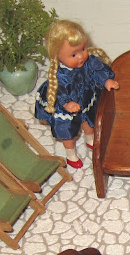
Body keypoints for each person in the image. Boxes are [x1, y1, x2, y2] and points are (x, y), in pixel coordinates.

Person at [35, 20, 119, 168]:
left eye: (83, 49)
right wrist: (66, 103)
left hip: (85, 98)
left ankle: (90, 138)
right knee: (68, 132)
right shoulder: (60, 76)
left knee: (89, 120)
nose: (81, 56)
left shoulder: (88, 62)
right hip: (66, 107)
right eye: (74, 54)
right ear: (57, 56)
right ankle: (70, 153)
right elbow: (59, 91)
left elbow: (96, 71)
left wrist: (106, 81)